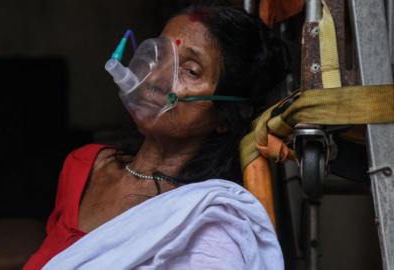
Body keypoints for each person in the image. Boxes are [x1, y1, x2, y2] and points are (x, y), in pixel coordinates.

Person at [24, 1, 289, 269]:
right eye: (161, 54)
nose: (156, 78)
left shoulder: (205, 223)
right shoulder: (84, 167)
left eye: (190, 70)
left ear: (224, 116)